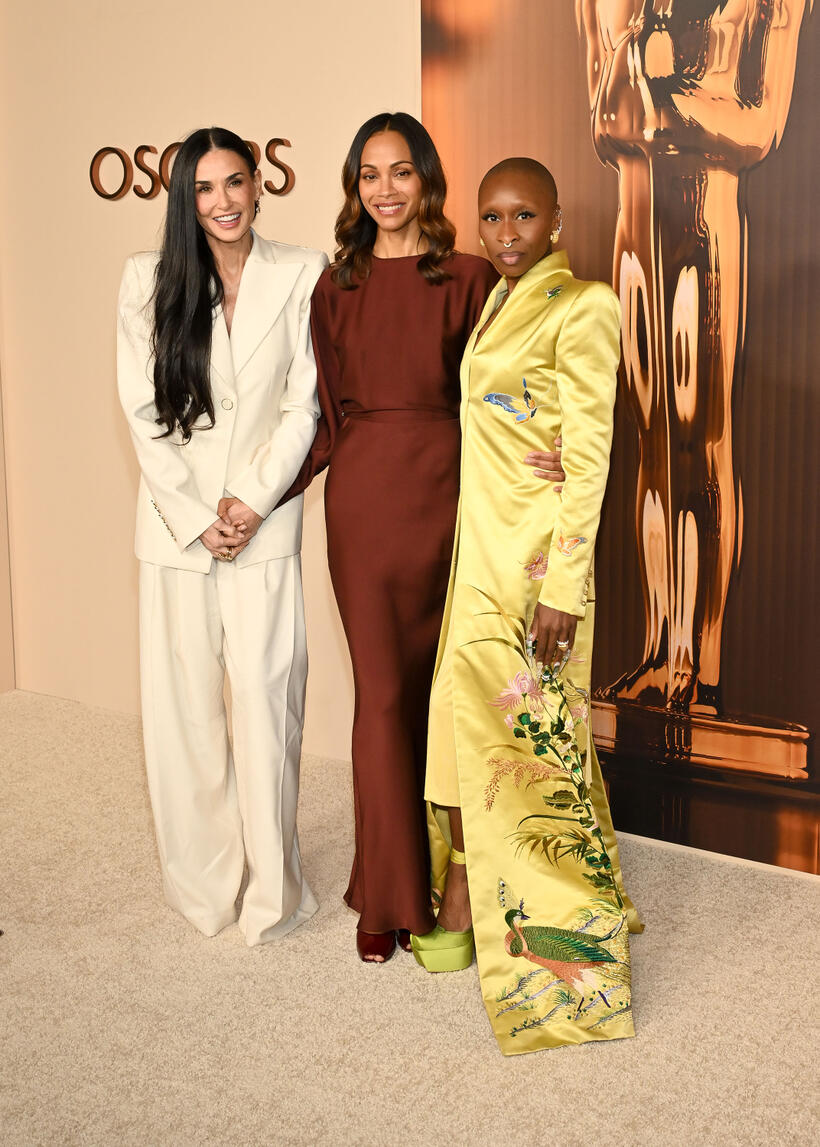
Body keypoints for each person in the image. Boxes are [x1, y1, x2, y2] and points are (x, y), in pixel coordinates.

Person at [277, 114, 564, 963]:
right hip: (364, 503)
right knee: (383, 697)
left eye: (401, 172)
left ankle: (469, 877)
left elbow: (508, 383)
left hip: (456, 499)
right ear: (354, 188)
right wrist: (267, 499)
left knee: (457, 692)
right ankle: (388, 891)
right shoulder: (335, 287)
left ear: (427, 181)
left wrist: (547, 445)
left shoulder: (473, 276)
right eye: (370, 174)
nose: (386, 189)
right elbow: (323, 412)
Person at [412, 158, 643, 1055]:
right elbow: (507, 410)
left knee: (530, 751)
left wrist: (565, 590)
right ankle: (465, 885)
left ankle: (560, 961)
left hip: (534, 568)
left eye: (523, 217)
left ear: (555, 221)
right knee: (462, 731)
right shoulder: (497, 303)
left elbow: (590, 456)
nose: (505, 233)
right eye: (492, 218)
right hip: (481, 553)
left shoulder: (583, 303)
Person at [117, 126, 327, 945]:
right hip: (176, 533)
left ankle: (275, 894)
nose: (224, 202)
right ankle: (203, 888)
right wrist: (202, 515)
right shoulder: (145, 280)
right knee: (185, 717)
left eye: (235, 182)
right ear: (185, 199)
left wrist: (249, 500)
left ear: (258, 185)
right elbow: (142, 412)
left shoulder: (301, 271)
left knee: (268, 707)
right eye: (205, 189)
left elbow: (304, 402)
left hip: (263, 527)